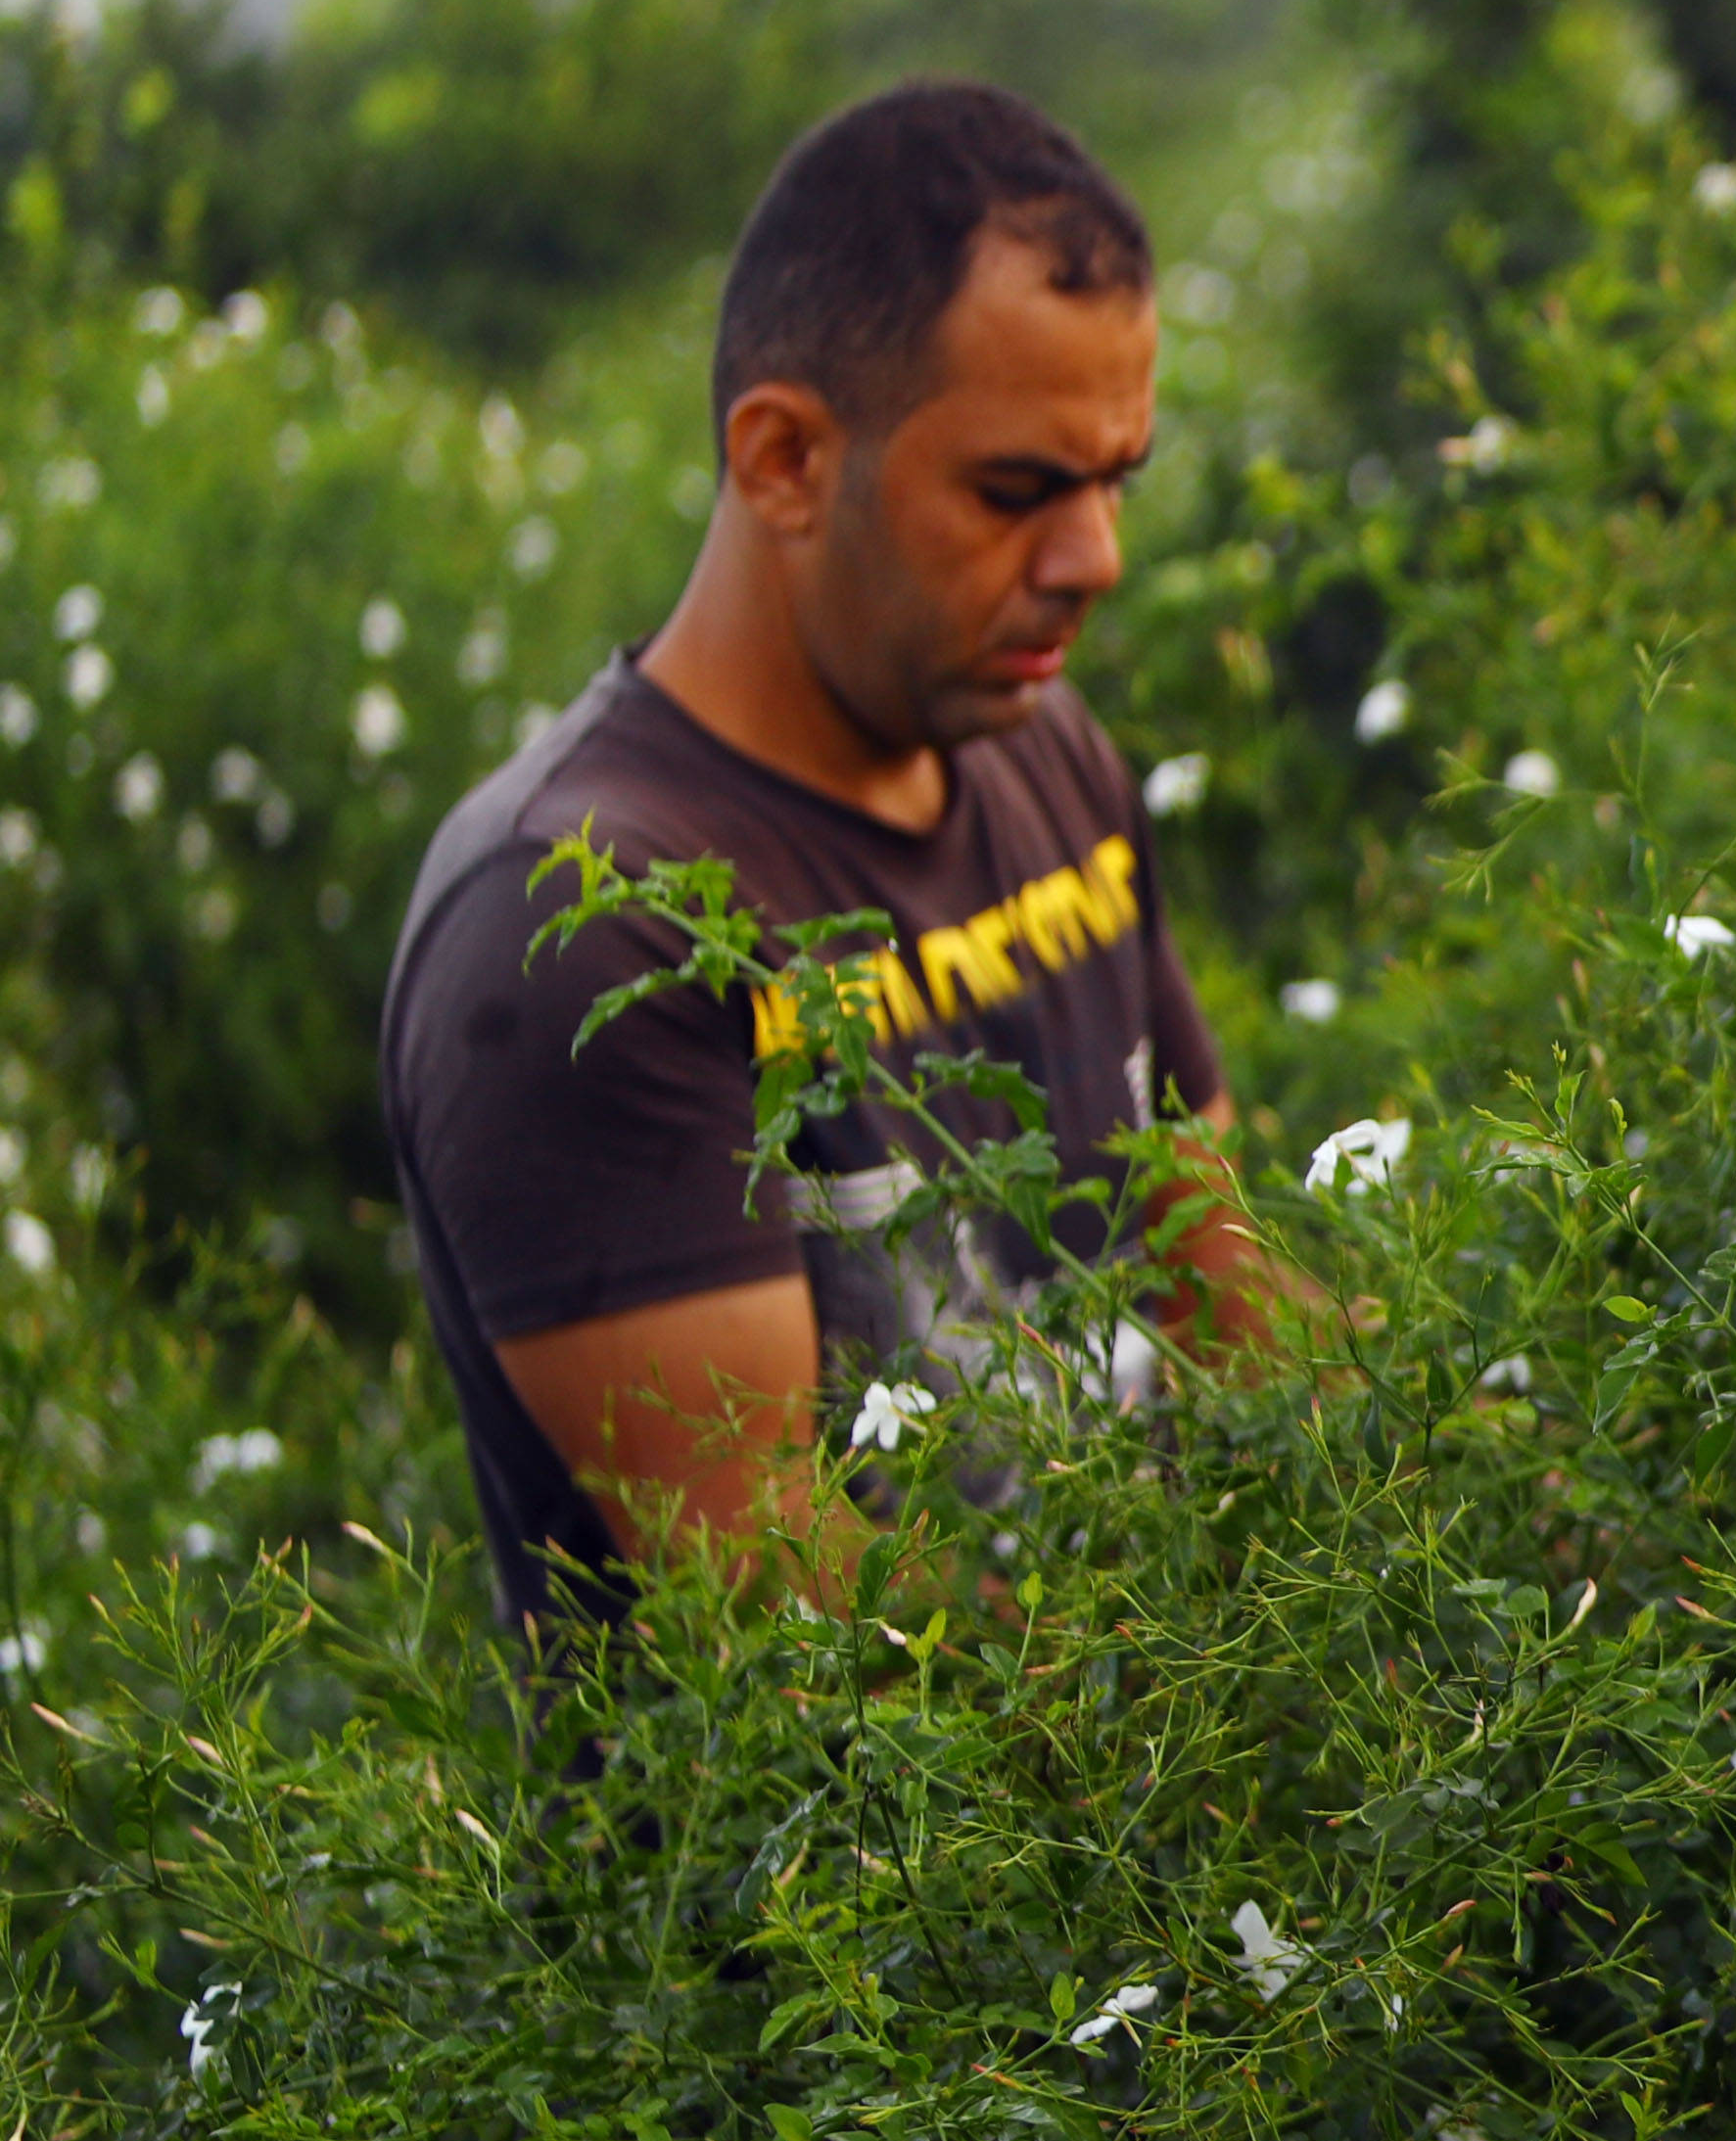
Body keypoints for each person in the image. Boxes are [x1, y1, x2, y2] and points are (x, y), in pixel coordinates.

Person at [382, 78, 1278, 1634]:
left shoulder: (1046, 752)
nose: (1096, 562)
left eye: (1115, 480)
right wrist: (1236, 1717)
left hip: (1183, 1792)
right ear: (786, 458)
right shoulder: (580, 925)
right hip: (886, 1865)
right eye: (1017, 492)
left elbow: (1227, 1292)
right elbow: (801, 1622)